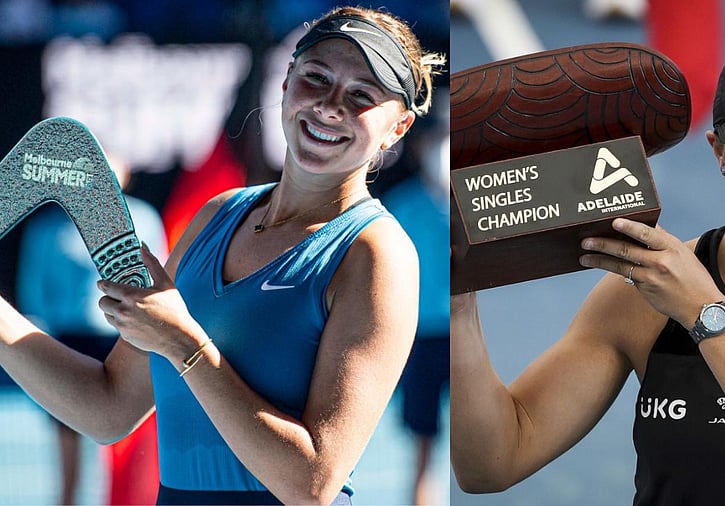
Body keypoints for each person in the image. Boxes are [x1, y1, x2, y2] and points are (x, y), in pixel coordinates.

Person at [0, 5, 444, 504]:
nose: (330, 106)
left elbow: (312, 485)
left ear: (398, 128)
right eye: (316, 78)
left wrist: (184, 344)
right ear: (286, 82)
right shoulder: (217, 215)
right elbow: (109, 408)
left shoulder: (377, 253)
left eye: (362, 95)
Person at [451, 31, 725, 505]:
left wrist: (704, 312)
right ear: (718, 151)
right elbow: (494, 462)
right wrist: (459, 304)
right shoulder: (643, 295)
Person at [16, 155, 167, 505]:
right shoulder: (49, 226)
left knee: (125, 447)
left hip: (123, 340)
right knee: (66, 438)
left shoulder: (143, 219)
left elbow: (159, 281)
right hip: (67, 340)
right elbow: (33, 288)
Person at [380, 90, 450, 506]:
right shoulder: (397, 207)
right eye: (439, 138)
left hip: (464, 336)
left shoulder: (476, 206)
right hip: (419, 341)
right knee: (423, 450)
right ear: (422, 146)